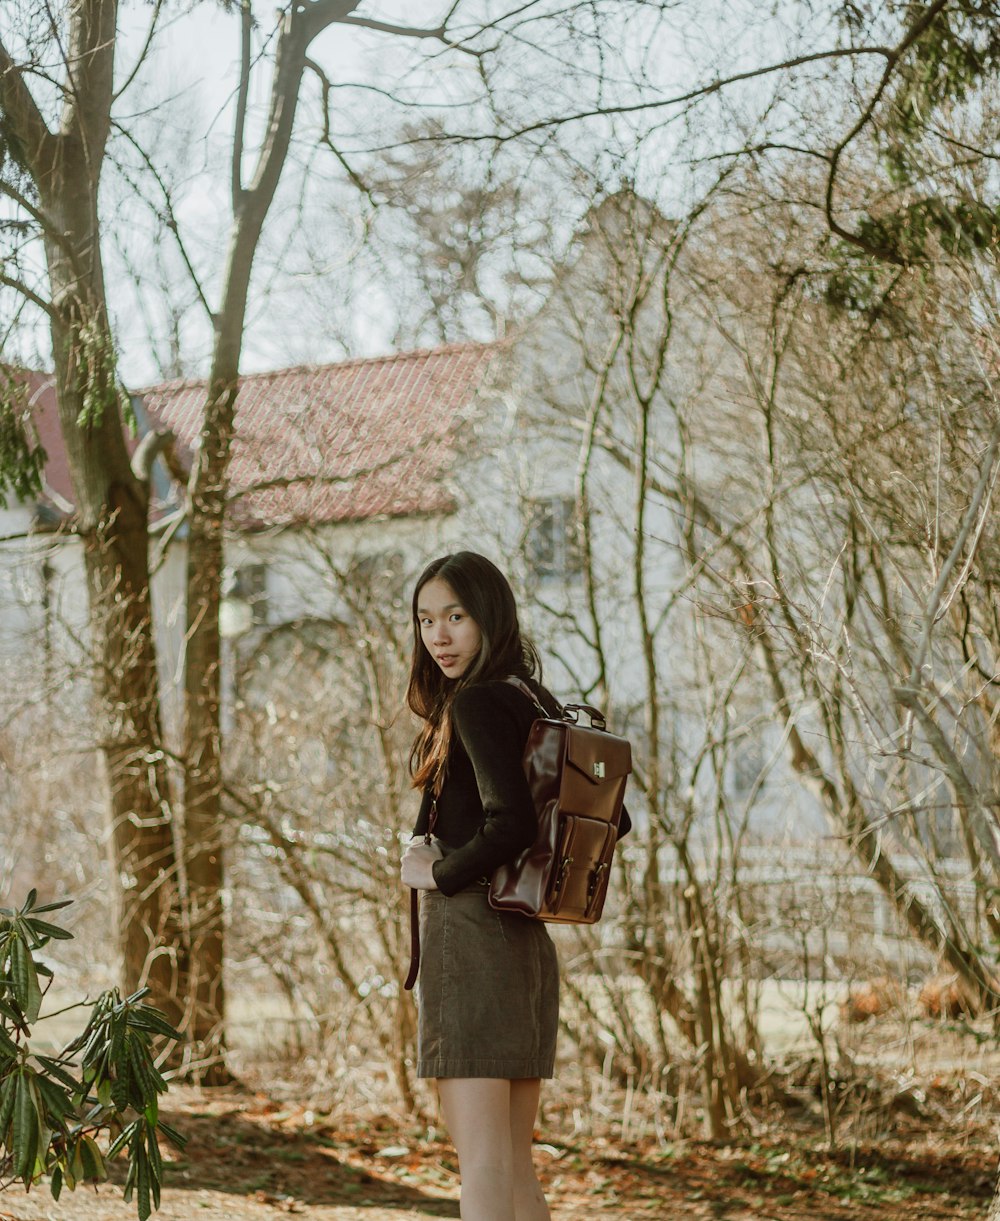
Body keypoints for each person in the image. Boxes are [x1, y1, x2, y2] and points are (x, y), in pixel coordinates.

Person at [399, 550, 630, 1221]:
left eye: (456, 616)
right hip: (524, 943)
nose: (438, 635)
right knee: (512, 1164)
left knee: (485, 1167)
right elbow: (615, 816)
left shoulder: (475, 701)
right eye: (425, 619)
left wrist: (435, 869)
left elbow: (511, 824)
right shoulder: (533, 698)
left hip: (472, 938)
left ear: (488, 616)